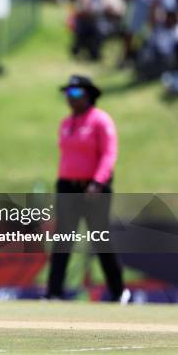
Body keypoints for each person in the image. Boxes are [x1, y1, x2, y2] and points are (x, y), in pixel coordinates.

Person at [46, 75, 130, 304]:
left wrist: (97, 181)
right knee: (63, 239)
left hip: (94, 188)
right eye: (67, 94)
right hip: (67, 186)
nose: (69, 98)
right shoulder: (65, 123)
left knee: (100, 239)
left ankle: (119, 292)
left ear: (88, 95)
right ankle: (53, 292)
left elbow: (109, 154)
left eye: (74, 93)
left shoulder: (101, 121)